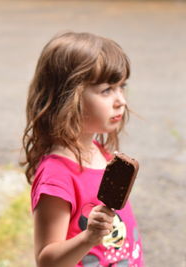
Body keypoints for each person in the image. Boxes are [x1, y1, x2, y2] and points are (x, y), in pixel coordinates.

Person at [21, 32, 143, 266]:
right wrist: (90, 237)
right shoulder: (57, 176)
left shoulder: (99, 151)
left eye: (121, 87)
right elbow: (47, 260)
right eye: (107, 90)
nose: (121, 101)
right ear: (69, 97)